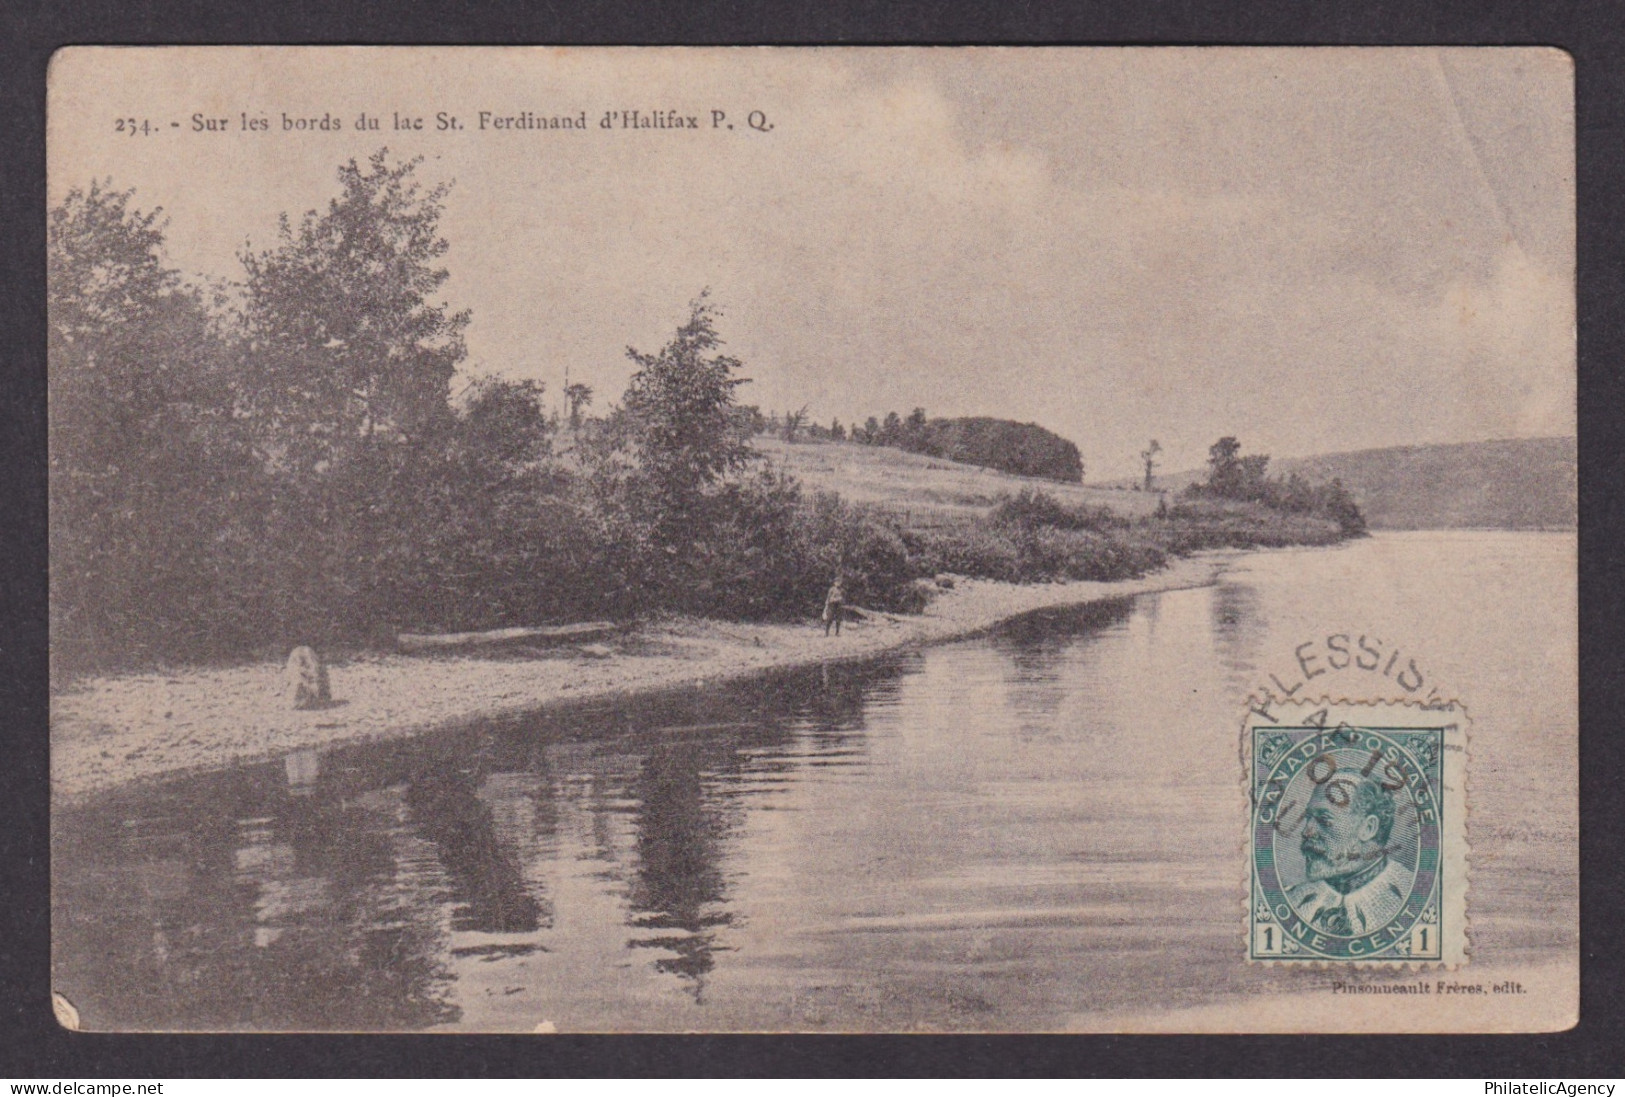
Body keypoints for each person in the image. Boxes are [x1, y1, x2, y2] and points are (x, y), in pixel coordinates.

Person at [1286, 771, 1411, 937]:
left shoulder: (1410, 896)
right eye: (1308, 818)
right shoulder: (1293, 899)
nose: (1306, 831)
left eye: (1324, 820)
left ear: (1368, 828)